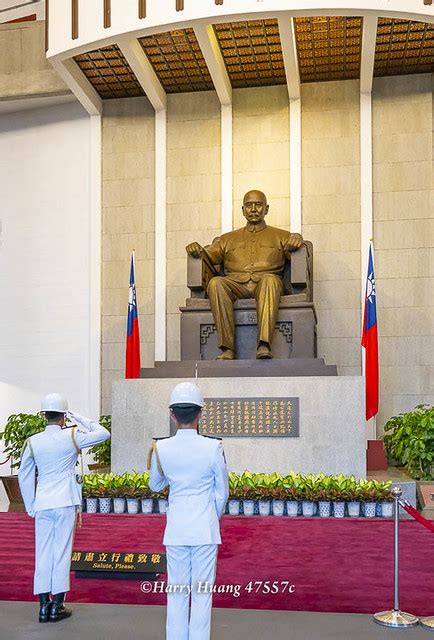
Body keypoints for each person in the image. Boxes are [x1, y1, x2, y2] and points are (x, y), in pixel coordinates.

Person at [18, 393, 111, 623]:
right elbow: (104, 433)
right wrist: (78, 417)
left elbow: (25, 474)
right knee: (61, 552)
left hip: (43, 503)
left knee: (43, 553)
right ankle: (57, 606)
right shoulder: (71, 435)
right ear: (63, 416)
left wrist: (30, 505)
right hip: (65, 501)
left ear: (44, 416)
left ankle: (43, 606)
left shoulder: (33, 441)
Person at [148, 382, 229, 640]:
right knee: (202, 592)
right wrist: (210, 516)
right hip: (204, 527)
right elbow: (222, 491)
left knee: (177, 590)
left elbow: (155, 484)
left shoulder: (161, 448)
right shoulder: (213, 447)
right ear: (200, 413)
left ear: (172, 414)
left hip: (176, 528)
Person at [186, 189, 304, 360]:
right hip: (236, 284)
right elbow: (209, 256)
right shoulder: (227, 239)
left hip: (268, 284)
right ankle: (227, 348)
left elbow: (298, 248)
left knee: (269, 280)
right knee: (216, 283)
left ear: (266, 209)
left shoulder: (281, 235)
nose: (254, 209)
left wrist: (297, 239)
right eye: (249, 205)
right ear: (243, 210)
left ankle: (264, 345)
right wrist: (197, 250)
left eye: (258, 205)